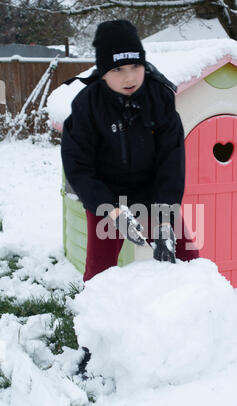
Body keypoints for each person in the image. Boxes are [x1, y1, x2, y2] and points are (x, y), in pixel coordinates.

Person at [61, 19, 199, 282]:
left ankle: (189, 315)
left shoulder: (160, 97)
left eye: (136, 66)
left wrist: (165, 216)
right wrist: (111, 210)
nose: (129, 77)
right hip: (106, 196)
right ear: (102, 72)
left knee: (188, 261)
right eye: (118, 69)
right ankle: (96, 317)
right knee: (99, 274)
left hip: (152, 194)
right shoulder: (86, 106)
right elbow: (78, 167)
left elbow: (172, 159)